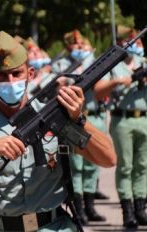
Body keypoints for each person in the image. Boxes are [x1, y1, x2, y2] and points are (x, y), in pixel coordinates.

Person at [0, 31, 117, 231]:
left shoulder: (52, 119)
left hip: (55, 226)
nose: (10, 81)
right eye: (2, 75)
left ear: (30, 74)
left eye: (17, 73)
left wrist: (78, 119)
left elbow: (108, 159)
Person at [52, 30, 109, 224]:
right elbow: (58, 87)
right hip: (70, 119)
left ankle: (90, 206)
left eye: (81, 45)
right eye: (75, 45)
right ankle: (78, 208)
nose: (79, 48)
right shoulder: (61, 65)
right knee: (76, 166)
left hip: (91, 116)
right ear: (68, 47)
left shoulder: (92, 64)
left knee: (92, 166)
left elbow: (101, 89)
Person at [93, 25, 147, 229]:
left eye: (137, 41)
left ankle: (141, 208)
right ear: (121, 44)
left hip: (144, 118)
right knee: (125, 166)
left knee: (143, 166)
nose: (134, 46)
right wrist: (118, 81)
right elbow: (98, 92)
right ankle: (128, 212)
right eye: (129, 41)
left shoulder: (143, 62)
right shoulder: (114, 65)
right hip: (122, 119)